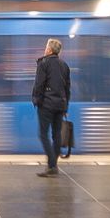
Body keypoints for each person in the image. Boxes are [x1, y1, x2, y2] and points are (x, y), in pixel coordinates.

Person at [32, 36, 72, 176]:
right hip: (60, 105)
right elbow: (67, 89)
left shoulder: (44, 63)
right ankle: (53, 166)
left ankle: (52, 165)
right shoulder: (64, 65)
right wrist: (65, 106)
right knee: (56, 135)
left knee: (43, 134)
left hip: (46, 105)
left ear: (49, 49)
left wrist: (36, 100)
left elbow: (39, 85)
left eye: (46, 47)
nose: (45, 49)